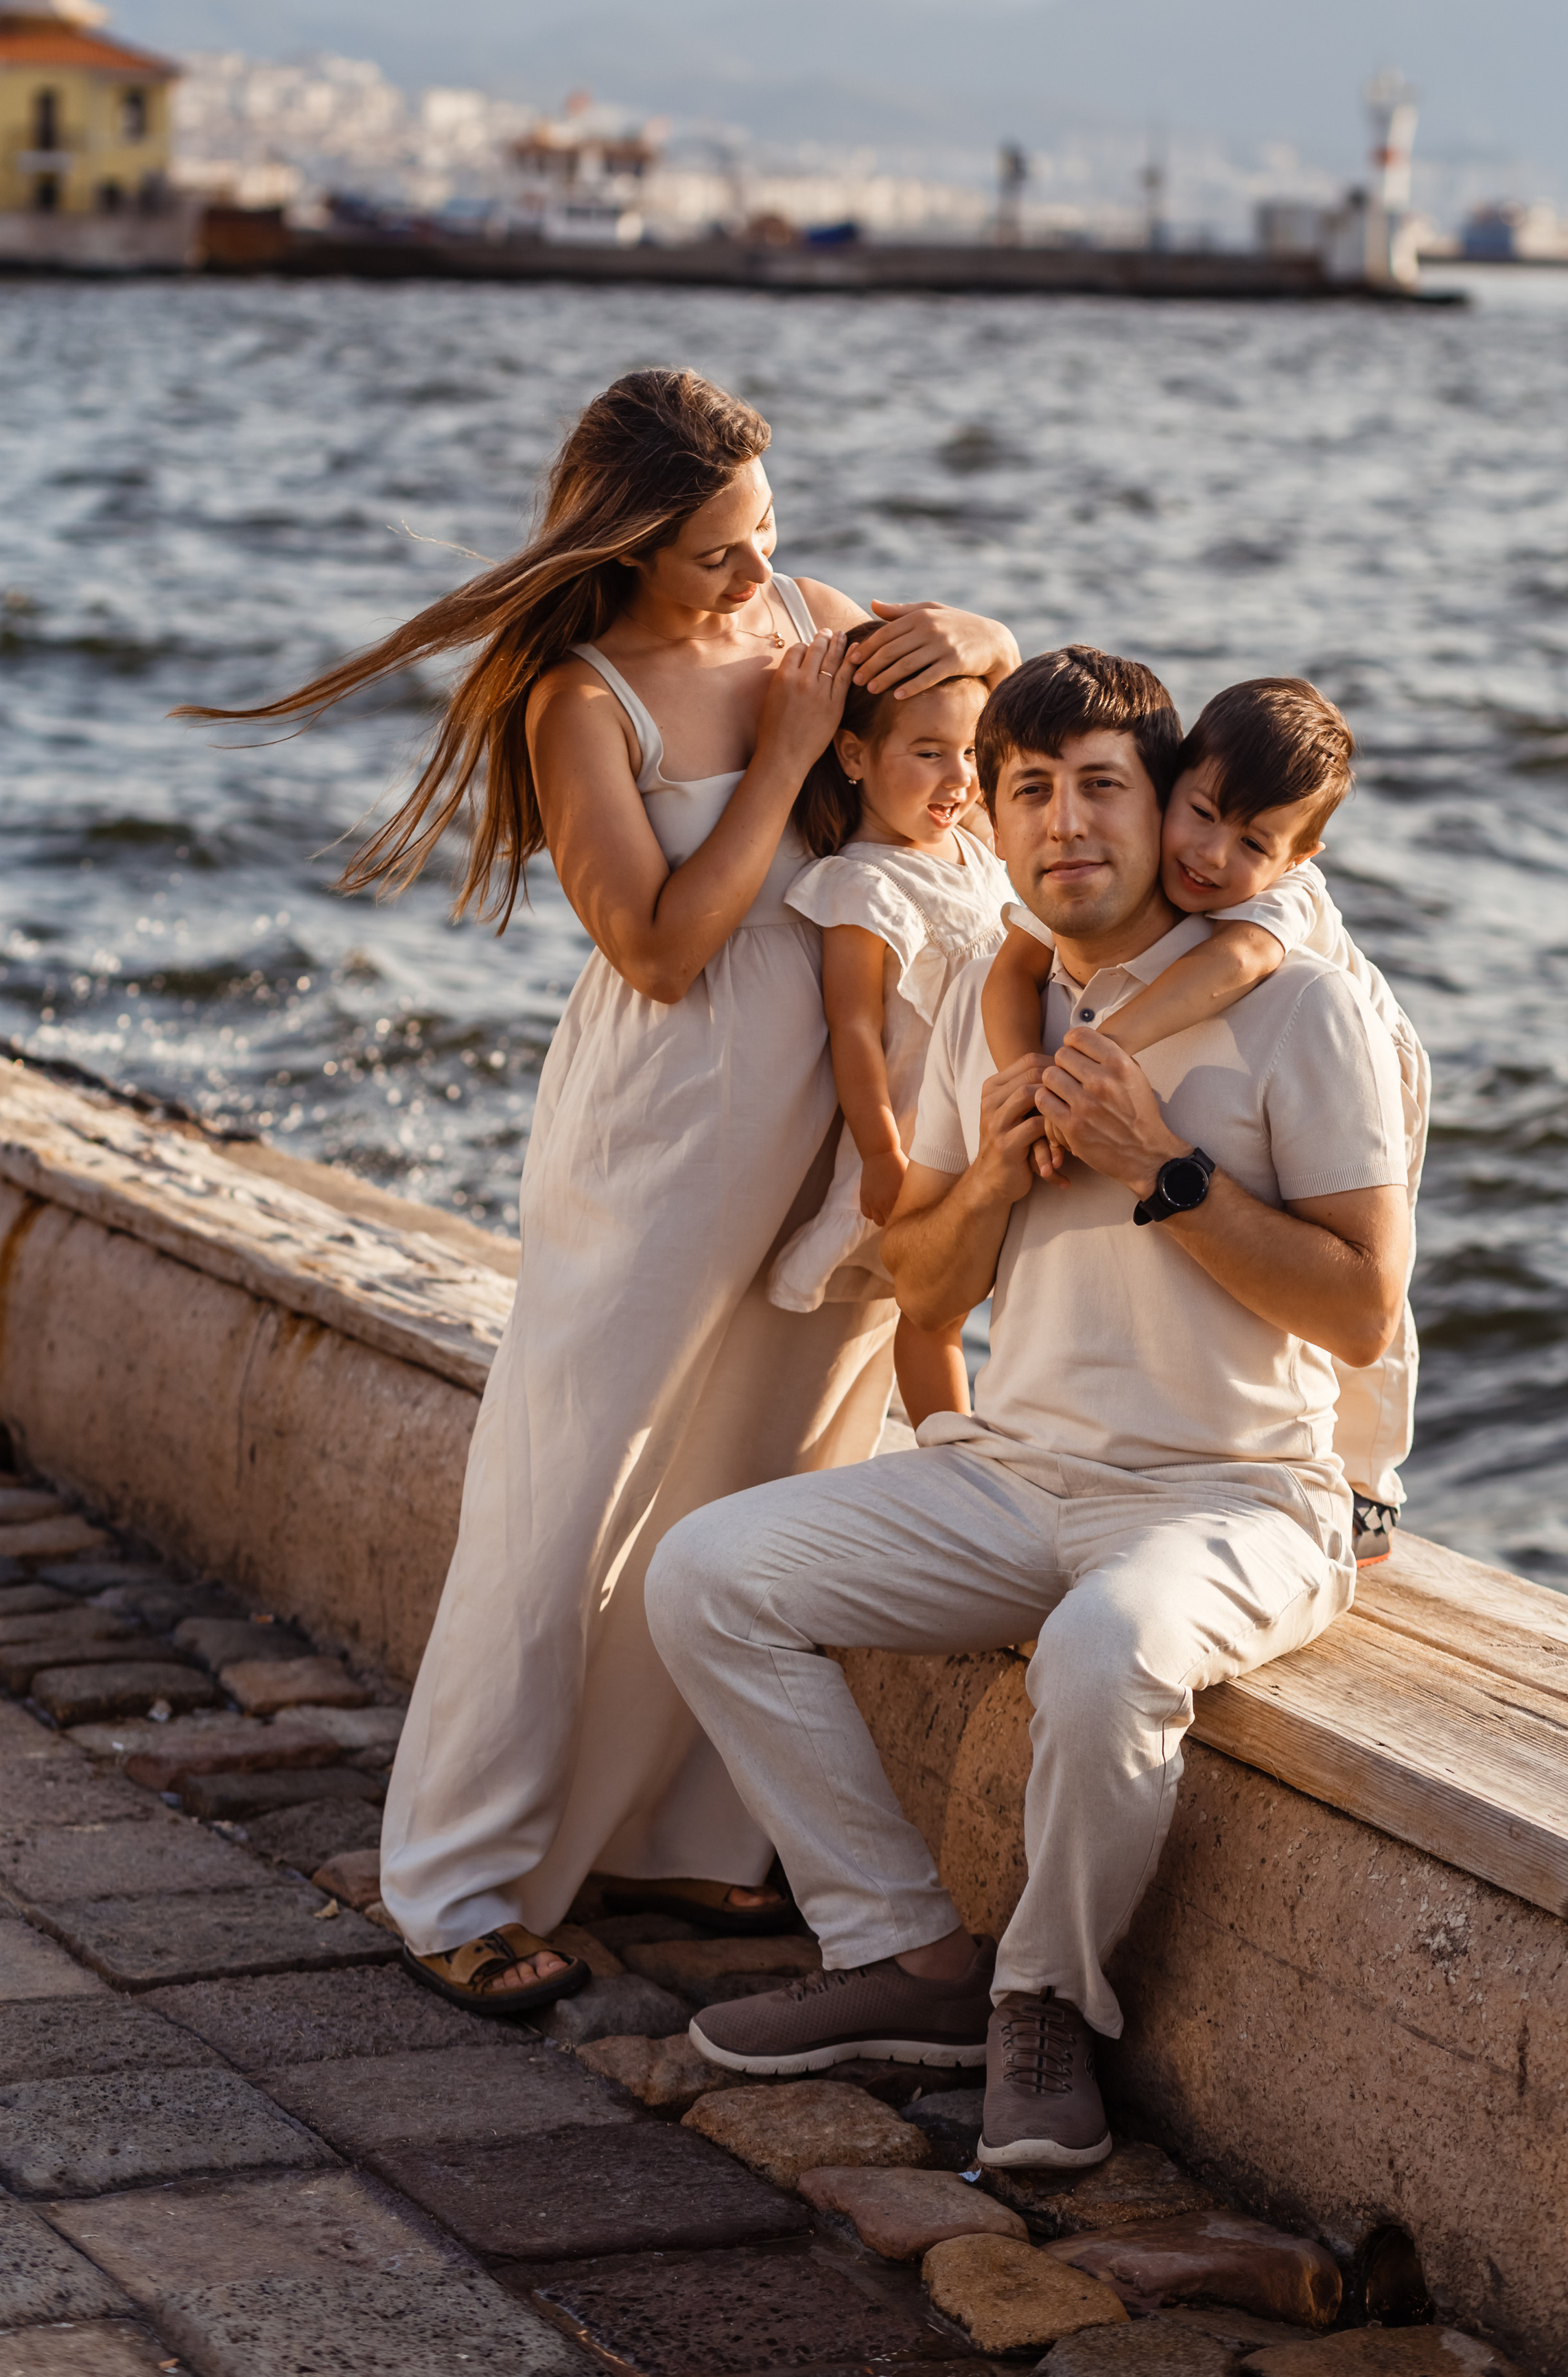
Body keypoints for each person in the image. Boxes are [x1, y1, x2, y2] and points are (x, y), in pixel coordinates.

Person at [177, 367, 1017, 2015]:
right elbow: (655, 944)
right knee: (565, 1488)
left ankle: (676, 1829)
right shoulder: (582, 701)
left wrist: (967, 636)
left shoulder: (805, 613)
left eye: (762, 536)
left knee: (768, 1457)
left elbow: (980, 656)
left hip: (842, 1128)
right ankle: (451, 1878)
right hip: (668, 1126)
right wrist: (781, 757)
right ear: (626, 544)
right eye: (714, 553)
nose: (751, 577)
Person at [646, 644, 1409, 2166]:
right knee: (704, 1573)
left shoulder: (1298, 1009)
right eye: (1027, 791)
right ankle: (902, 1954)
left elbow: (1356, 1305)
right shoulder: (1000, 1009)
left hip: (1237, 1497)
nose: (1066, 822)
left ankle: (1042, 2000)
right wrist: (997, 1165)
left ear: (1166, 802)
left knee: (1105, 1650)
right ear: (987, 822)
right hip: (1019, 1474)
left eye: (1101, 789)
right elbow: (923, 1290)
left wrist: (1159, 1168)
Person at [980, 675, 1429, 1560]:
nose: (1213, 856)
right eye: (1202, 813)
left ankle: (1368, 1485)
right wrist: (1025, 1081)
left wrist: (1103, 1043)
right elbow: (1011, 964)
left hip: (1370, 1058)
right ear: (1174, 780)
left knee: (1379, 1276)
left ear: (1300, 855)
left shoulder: (1280, 905)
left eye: (1254, 842)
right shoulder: (1092, 895)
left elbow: (1234, 965)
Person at [767, 618, 1016, 1426]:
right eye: (929, 753)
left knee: (995, 1287)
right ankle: (951, 1451)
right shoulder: (863, 888)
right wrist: (878, 1148)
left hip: (990, 1118)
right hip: (915, 1129)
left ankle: (1019, 1428)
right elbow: (853, 1030)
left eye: (972, 754)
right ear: (854, 758)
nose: (960, 778)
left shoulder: (976, 858)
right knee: (928, 1306)